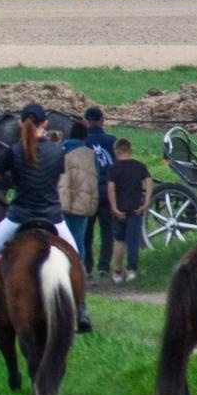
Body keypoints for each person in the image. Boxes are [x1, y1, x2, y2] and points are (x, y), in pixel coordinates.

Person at [0, 104, 89, 333]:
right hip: (52, 217)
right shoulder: (57, 151)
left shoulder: (13, 151)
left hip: (19, 217)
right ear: (45, 124)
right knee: (76, 257)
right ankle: (82, 311)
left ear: (20, 124)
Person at [106, 139, 153, 284]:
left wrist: (114, 207)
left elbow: (111, 187)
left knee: (119, 240)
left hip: (120, 208)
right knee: (133, 240)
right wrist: (146, 202)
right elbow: (149, 182)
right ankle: (132, 270)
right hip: (136, 208)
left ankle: (117, 271)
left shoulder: (114, 168)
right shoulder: (139, 166)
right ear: (130, 150)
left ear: (116, 151)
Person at [56, 122, 99, 270]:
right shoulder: (90, 154)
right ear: (85, 137)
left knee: (60, 239)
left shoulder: (60, 150)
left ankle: (63, 268)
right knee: (79, 238)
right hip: (83, 202)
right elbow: (96, 178)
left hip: (61, 202)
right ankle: (79, 271)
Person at [83, 107, 117, 278]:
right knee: (107, 231)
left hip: (88, 194)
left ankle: (87, 267)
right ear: (102, 120)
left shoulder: (83, 141)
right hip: (107, 194)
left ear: (85, 121)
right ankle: (104, 266)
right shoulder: (112, 141)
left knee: (87, 232)